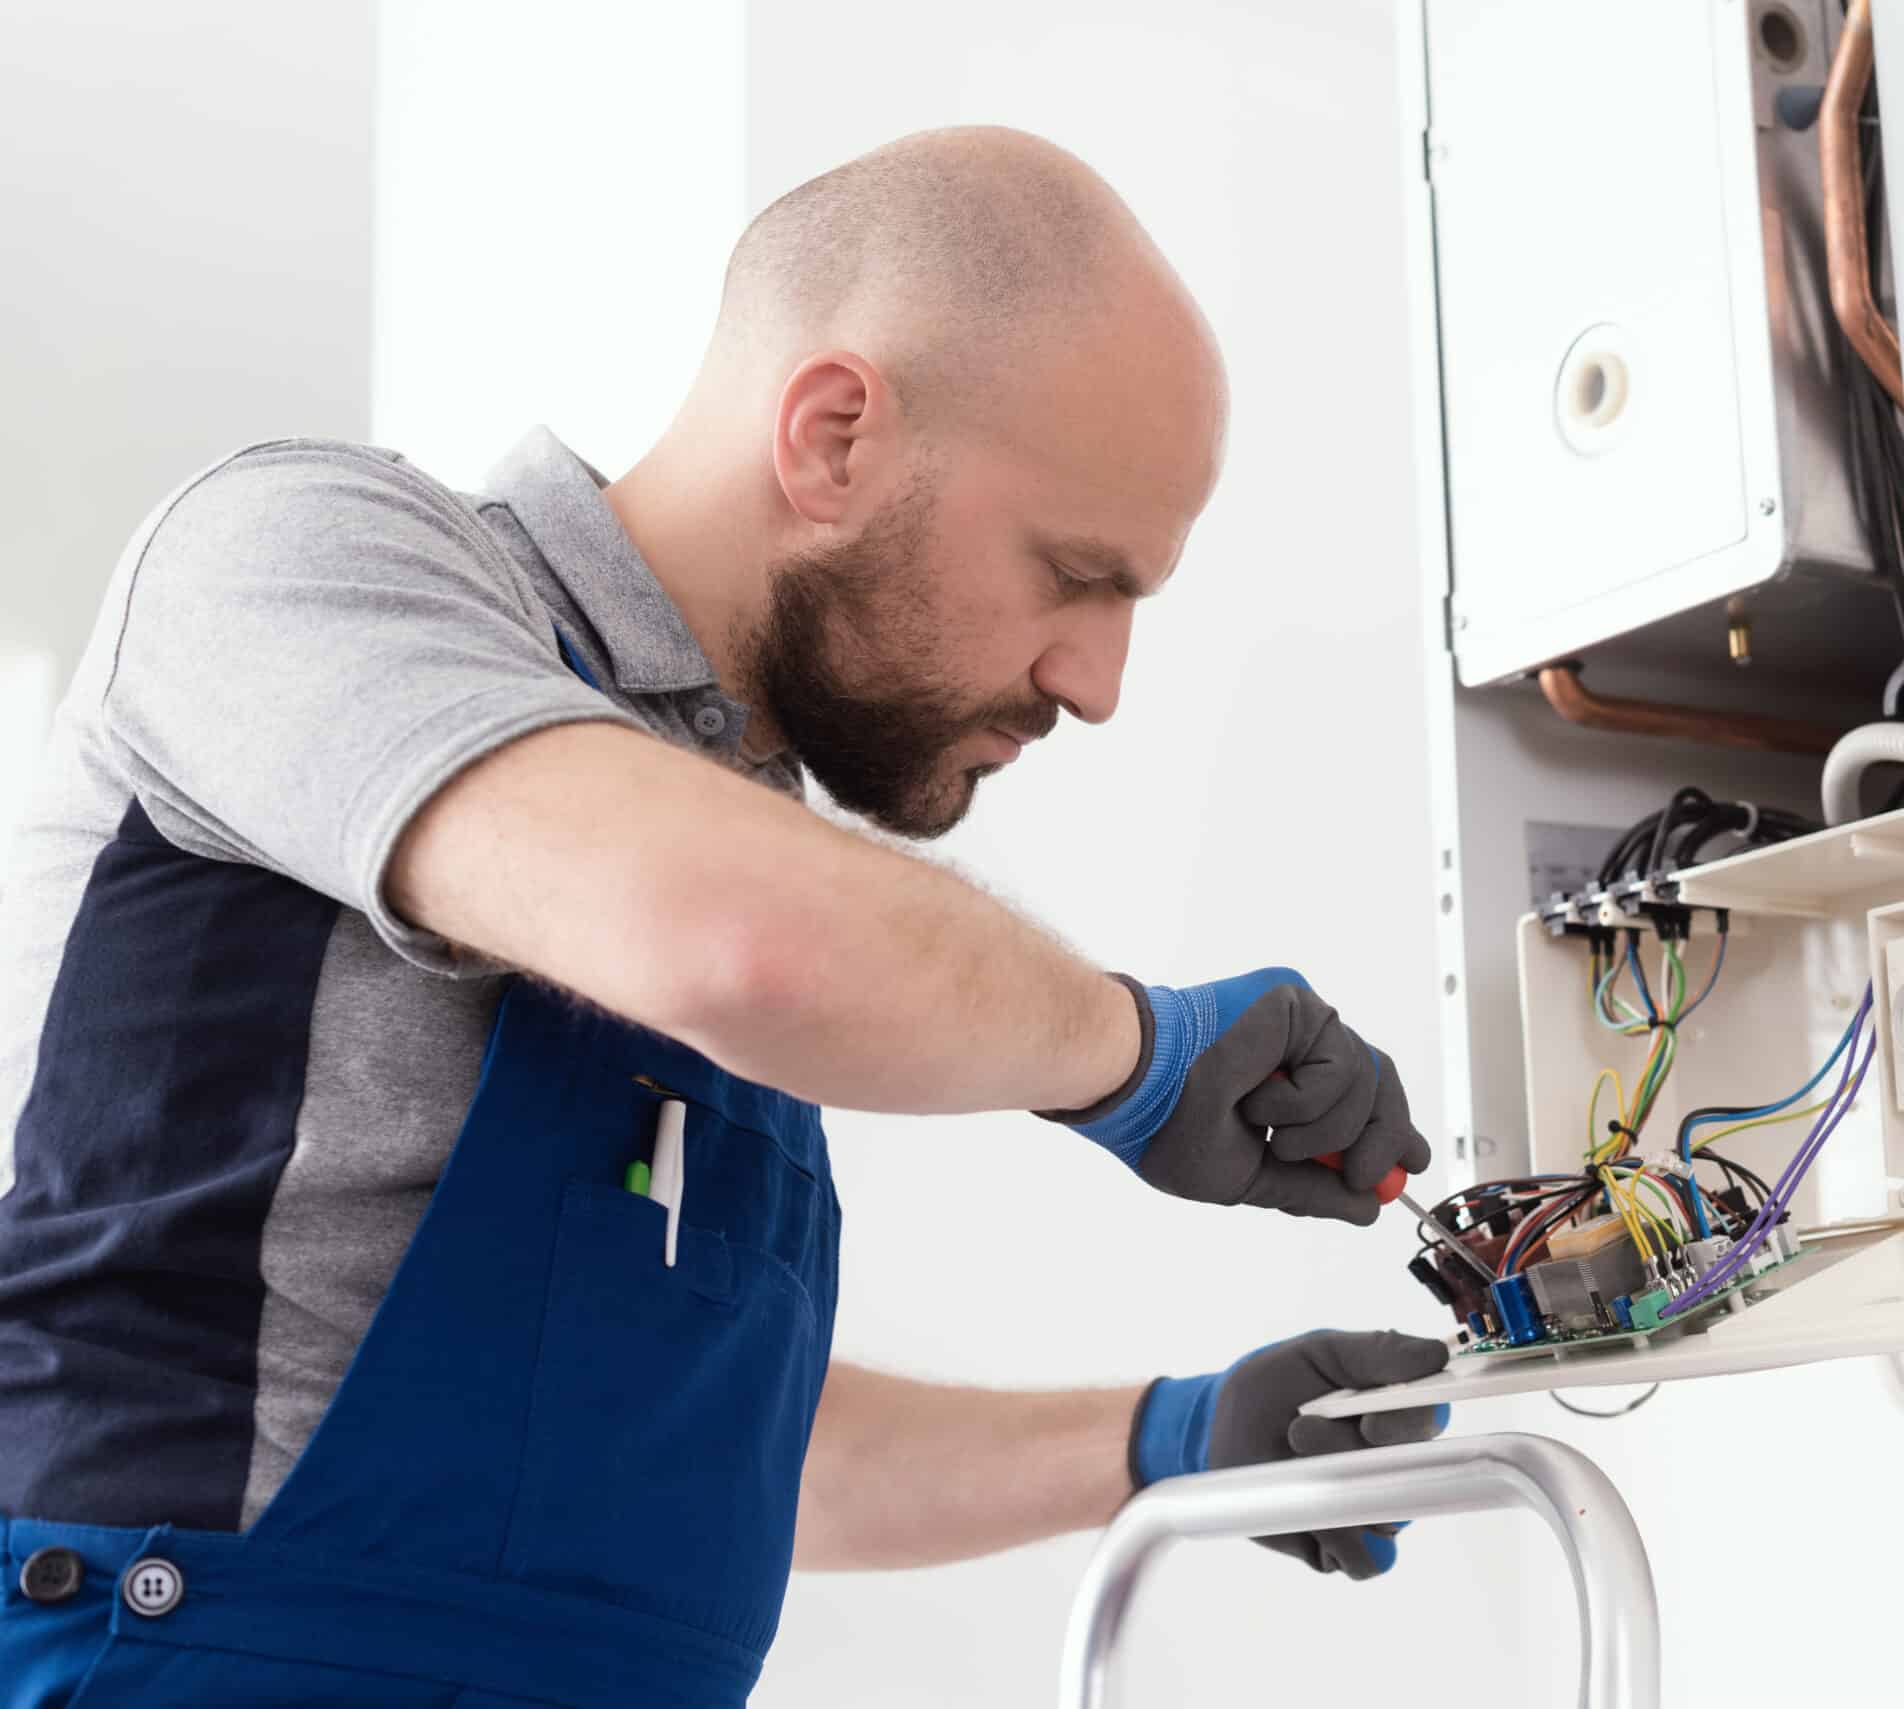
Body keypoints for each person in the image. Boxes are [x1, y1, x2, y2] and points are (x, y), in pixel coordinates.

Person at [0, 127, 1451, 1708]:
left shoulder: (737, 859)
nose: (1095, 683)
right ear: (832, 437)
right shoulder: (302, 556)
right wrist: (1140, 1053)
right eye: (1072, 576)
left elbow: (721, 1440)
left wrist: (1165, 1435)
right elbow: (732, 940)